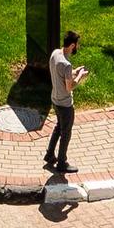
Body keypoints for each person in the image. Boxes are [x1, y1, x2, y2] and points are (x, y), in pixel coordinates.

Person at [41, 26, 80, 177]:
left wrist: (74, 72)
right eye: (77, 45)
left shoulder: (56, 53)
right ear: (72, 45)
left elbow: (62, 74)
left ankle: (50, 155)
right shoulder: (66, 64)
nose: (77, 47)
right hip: (65, 104)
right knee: (66, 133)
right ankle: (62, 162)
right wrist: (80, 76)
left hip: (55, 99)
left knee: (58, 127)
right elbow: (70, 87)